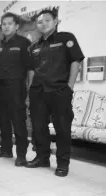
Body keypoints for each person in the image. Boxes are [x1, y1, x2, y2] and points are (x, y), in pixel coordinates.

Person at [25, 10, 84, 177]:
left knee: (62, 129)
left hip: (59, 91)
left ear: (56, 21)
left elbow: (76, 61)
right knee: (38, 128)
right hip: (38, 92)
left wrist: (69, 87)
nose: (43, 24)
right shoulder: (34, 46)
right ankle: (42, 158)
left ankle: (63, 163)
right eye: (40, 22)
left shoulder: (66, 38)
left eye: (47, 20)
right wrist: (30, 91)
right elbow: (31, 71)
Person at [0, 12, 31, 167]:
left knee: (18, 121)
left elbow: (29, 68)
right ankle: (5, 148)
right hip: (0, 87)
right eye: (4, 24)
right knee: (2, 119)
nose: (6, 26)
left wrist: (29, 89)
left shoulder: (24, 43)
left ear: (16, 26)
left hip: (16, 87)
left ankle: (21, 154)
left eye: (9, 23)